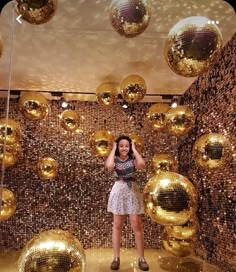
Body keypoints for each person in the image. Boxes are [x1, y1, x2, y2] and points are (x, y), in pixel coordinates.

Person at [105, 135, 149, 271]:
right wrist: (113, 149)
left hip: (132, 192)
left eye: (126, 146)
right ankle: (116, 258)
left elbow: (142, 165)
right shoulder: (115, 158)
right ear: (118, 147)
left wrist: (134, 149)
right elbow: (109, 166)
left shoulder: (133, 158)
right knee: (117, 224)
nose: (124, 148)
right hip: (119, 190)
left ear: (129, 147)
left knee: (137, 224)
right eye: (121, 145)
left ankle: (142, 258)